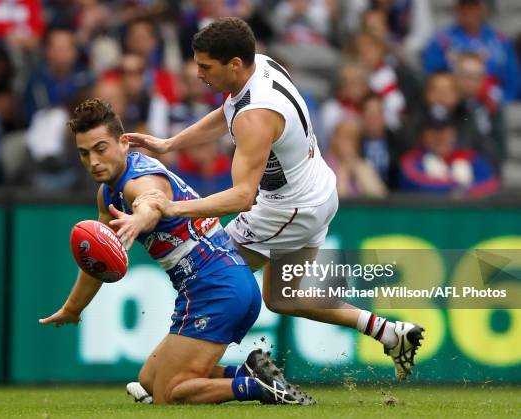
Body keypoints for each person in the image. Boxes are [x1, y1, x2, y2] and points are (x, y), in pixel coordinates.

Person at [124, 17, 424, 384]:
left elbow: (241, 196)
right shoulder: (261, 66)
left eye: (205, 66)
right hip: (316, 191)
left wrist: (171, 207)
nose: (198, 73)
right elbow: (226, 113)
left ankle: (181, 372)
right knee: (283, 298)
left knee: (210, 271)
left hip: (287, 208)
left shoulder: (256, 117)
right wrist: (170, 144)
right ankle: (388, 332)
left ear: (234, 64)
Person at [38, 98, 314, 406]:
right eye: (84, 153)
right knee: (149, 380)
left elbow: (151, 201)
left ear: (124, 143)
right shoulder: (108, 192)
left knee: (168, 394)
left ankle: (261, 389)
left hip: (217, 286)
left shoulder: (138, 183)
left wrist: (140, 217)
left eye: (100, 149)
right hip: (219, 282)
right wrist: (74, 308)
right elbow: (96, 262)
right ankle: (249, 372)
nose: (93, 161)